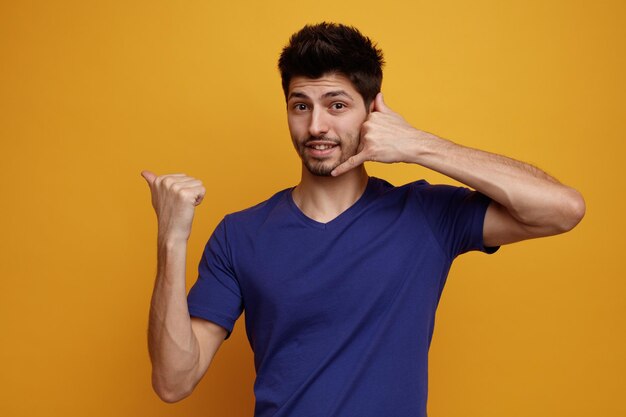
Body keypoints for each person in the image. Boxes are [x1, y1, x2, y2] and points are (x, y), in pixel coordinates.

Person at [141, 22, 585, 417]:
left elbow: (563, 209)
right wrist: (170, 239)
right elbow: (174, 382)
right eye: (301, 106)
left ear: (372, 112)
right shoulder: (239, 235)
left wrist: (418, 145)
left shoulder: (425, 216)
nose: (316, 126)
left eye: (337, 105)